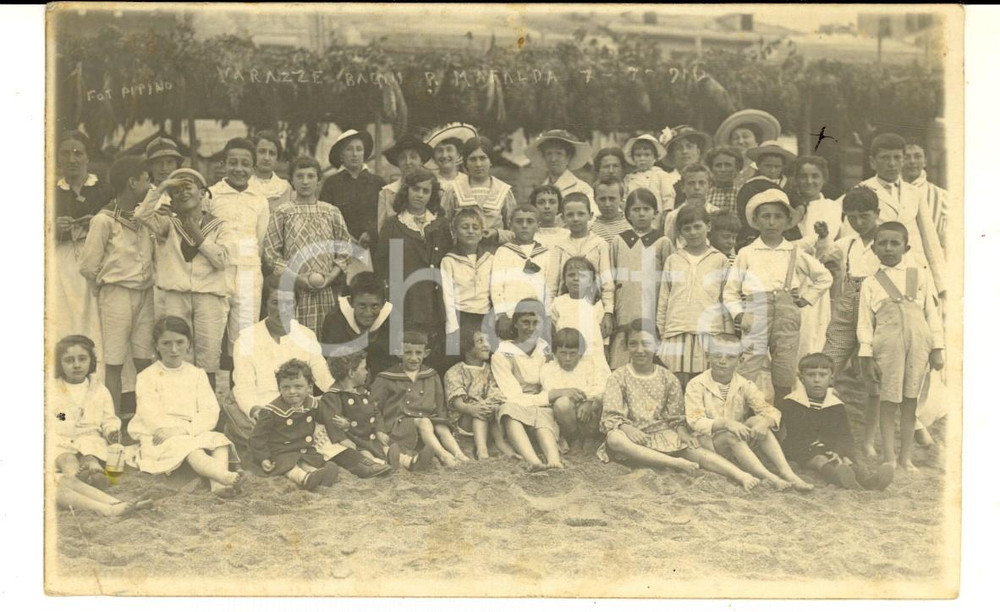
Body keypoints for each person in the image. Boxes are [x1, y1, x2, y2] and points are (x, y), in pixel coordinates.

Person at [599, 321, 756, 486]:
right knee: (614, 438)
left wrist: (682, 432)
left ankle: (741, 475)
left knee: (696, 450)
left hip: (662, 434)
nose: (640, 350)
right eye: (633, 344)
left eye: (646, 344)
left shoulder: (668, 378)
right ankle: (673, 462)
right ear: (626, 346)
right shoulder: (618, 377)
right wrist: (626, 428)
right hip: (632, 439)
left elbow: (676, 416)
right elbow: (610, 416)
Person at [723, 189, 833, 403]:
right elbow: (730, 291)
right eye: (766, 216)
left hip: (786, 314)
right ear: (756, 220)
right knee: (750, 364)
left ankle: (783, 413)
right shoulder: (747, 252)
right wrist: (740, 315)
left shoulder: (794, 251)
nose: (772, 222)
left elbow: (824, 277)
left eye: (778, 216)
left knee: (785, 365)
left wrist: (805, 298)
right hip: (756, 312)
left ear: (787, 221)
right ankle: (744, 411)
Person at [858, 221, 945, 472]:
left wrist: (937, 348)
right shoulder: (870, 283)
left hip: (919, 344)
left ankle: (906, 458)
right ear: (874, 248)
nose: (888, 248)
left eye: (894, 243)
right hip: (887, 346)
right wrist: (867, 355)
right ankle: (889, 457)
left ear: (905, 248)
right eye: (882, 243)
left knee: (910, 402)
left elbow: (931, 314)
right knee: (888, 401)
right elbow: (865, 323)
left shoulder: (920, 275)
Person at [134, 169, 231, 390]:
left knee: (208, 356)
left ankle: (207, 403)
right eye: (176, 191)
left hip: (208, 296)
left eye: (188, 187)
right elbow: (141, 215)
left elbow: (221, 260)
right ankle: (178, 401)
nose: (183, 193)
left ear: (203, 193)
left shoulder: (219, 225)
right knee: (176, 353)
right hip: (176, 295)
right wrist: (161, 188)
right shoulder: (167, 223)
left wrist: (196, 233)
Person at [128, 317, 244, 497]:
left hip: (190, 428)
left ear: (188, 343)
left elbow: (210, 411)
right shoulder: (147, 376)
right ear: (156, 345)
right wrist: (173, 431)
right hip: (161, 433)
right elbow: (149, 415)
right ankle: (224, 476)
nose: (174, 349)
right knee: (191, 449)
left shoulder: (197, 374)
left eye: (180, 342)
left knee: (219, 441)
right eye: (166, 343)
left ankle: (218, 486)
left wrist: (186, 429)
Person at [685, 333, 814, 491]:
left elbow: (771, 411)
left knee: (757, 421)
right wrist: (726, 423)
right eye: (717, 355)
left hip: (738, 443)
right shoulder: (696, 384)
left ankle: (786, 472)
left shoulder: (744, 384)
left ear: (740, 360)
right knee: (730, 434)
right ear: (707, 356)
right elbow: (695, 421)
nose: (723, 361)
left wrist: (765, 422)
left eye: (730, 357)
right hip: (709, 443)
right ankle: (770, 477)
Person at [78, 156, 156, 416]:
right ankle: (112, 422)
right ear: (132, 182)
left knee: (144, 359)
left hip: (146, 293)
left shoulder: (146, 217)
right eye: (146, 180)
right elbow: (87, 266)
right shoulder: (104, 220)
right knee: (114, 361)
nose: (150, 185)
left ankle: (146, 418)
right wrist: (108, 283)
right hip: (117, 294)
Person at [228, 275, 334, 449]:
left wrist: (341, 395)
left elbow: (323, 377)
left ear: (296, 304)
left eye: (288, 303)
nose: (282, 310)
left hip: (300, 408)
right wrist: (255, 410)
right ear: (265, 304)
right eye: (275, 302)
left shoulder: (306, 335)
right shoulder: (246, 339)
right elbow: (243, 387)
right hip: (265, 410)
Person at [823, 186, 884, 457]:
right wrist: (823, 240)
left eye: (864, 216)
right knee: (826, 367)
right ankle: (824, 433)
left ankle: (868, 440)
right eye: (852, 217)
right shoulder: (846, 243)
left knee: (874, 380)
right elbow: (822, 257)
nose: (858, 222)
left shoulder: (888, 240)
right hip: (847, 311)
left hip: (877, 312)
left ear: (877, 213)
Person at [846, 133, 946, 293]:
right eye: (885, 158)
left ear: (903, 159)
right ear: (872, 162)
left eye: (897, 157)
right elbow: (853, 238)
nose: (892, 163)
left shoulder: (914, 192)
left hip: (914, 270)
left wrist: (941, 285)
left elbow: (930, 240)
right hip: (878, 271)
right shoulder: (862, 190)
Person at [263, 155, 351, 335]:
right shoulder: (283, 212)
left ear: (318, 180)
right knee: (296, 338)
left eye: (310, 176)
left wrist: (330, 278)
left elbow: (345, 251)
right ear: (292, 180)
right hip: (294, 291)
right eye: (300, 176)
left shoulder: (331, 211)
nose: (305, 181)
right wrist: (297, 279)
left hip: (326, 290)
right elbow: (271, 254)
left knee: (326, 337)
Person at [373, 168, 451, 371]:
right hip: (405, 302)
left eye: (426, 191)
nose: (420, 195)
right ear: (406, 191)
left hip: (434, 302)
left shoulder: (440, 225)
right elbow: (382, 266)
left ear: (432, 195)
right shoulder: (393, 225)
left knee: (431, 354)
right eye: (416, 189)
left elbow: (448, 262)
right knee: (403, 353)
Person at [778, 353, 894, 490]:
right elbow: (794, 434)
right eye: (811, 375)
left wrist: (838, 451)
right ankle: (839, 480)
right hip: (802, 448)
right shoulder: (792, 402)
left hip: (829, 446)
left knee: (847, 460)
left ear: (831, 377)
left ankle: (870, 482)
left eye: (822, 375)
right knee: (820, 460)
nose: (817, 380)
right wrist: (824, 449)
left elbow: (845, 435)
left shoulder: (835, 404)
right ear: (801, 377)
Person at [208, 138, 270, 362]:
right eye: (233, 163)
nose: (239, 169)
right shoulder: (211, 195)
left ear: (253, 167)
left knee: (244, 341)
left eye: (245, 164)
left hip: (248, 274)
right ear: (223, 164)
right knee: (211, 337)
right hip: (216, 272)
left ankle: (240, 383)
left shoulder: (259, 200)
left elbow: (260, 240)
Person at [656, 205, 731, 389]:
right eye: (687, 228)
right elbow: (664, 299)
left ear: (708, 226)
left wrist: (727, 335)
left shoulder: (720, 260)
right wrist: (662, 331)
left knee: (705, 386)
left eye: (697, 227)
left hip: (708, 332)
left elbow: (726, 300)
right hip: (676, 331)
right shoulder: (673, 260)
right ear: (680, 232)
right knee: (675, 386)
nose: (693, 232)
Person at [371, 330, 469, 470]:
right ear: (399, 353)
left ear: (426, 353)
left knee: (440, 425)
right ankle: (444, 456)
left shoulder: (431, 375)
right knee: (424, 422)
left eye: (418, 353)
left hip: (427, 421)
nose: (413, 358)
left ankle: (459, 454)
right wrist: (379, 429)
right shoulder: (386, 378)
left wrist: (444, 421)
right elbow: (374, 407)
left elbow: (440, 405)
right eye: (408, 353)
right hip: (398, 423)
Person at [53, 131, 113, 353]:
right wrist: (53, 227)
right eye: (65, 153)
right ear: (58, 157)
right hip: (64, 264)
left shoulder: (104, 189)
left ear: (87, 157)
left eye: (78, 153)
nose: (72, 159)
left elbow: (120, 225)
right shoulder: (51, 193)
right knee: (68, 315)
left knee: (98, 317)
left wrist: (98, 223)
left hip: (100, 261)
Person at [491, 299, 563, 472]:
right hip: (516, 404)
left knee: (543, 414)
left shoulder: (544, 349)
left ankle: (554, 459)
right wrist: (547, 397)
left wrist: (547, 397)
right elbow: (513, 396)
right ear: (515, 323)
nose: (531, 328)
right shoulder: (502, 354)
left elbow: (549, 383)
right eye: (525, 322)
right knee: (509, 411)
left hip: (541, 404)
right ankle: (532, 460)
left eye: (535, 323)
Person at [248, 359, 340, 490]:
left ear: (309, 387)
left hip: (303, 448)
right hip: (280, 450)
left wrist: (341, 426)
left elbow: (327, 418)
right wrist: (263, 458)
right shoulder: (272, 411)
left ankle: (316, 473)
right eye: (286, 387)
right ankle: (303, 479)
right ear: (279, 388)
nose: (292, 391)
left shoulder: (313, 404)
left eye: (298, 386)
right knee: (289, 465)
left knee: (310, 460)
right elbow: (257, 438)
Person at [609, 188, 672, 369]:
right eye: (636, 209)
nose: (641, 214)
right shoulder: (619, 241)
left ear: (655, 213)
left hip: (652, 307)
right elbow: (611, 278)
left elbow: (669, 280)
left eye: (646, 209)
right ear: (628, 213)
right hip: (625, 308)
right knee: (623, 355)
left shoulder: (663, 242)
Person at [49, 335, 121, 491]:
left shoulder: (100, 390)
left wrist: (111, 431)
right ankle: (76, 475)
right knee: (66, 459)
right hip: (62, 438)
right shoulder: (52, 389)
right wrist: (64, 416)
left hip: (89, 437)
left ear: (91, 361)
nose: (76, 365)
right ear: (59, 364)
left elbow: (108, 418)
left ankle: (93, 469)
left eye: (82, 359)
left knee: (91, 452)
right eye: (69, 360)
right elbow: (52, 415)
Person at [790, 155, 842, 356]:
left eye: (815, 176)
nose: (809, 181)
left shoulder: (831, 207)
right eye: (803, 176)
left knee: (812, 336)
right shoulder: (788, 205)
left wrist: (786, 248)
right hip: (788, 277)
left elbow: (820, 244)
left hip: (815, 278)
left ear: (824, 178)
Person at [317, 351, 395, 478]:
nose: (366, 372)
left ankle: (405, 460)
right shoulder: (333, 396)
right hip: (355, 437)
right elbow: (332, 420)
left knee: (386, 446)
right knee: (364, 452)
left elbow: (375, 412)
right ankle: (377, 464)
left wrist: (380, 430)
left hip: (369, 435)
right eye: (363, 368)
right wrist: (343, 439)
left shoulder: (362, 392)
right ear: (351, 373)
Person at [549, 193, 615, 340]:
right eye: (570, 215)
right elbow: (552, 284)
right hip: (565, 308)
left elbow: (607, 282)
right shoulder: (560, 246)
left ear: (590, 215)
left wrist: (608, 312)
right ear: (563, 218)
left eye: (580, 214)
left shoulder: (600, 244)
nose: (575, 218)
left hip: (593, 306)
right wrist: (548, 314)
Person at [444, 329, 517, 460]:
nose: (486, 345)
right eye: (480, 341)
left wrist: (487, 406)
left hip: (489, 415)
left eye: (488, 341)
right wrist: (473, 409)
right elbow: (457, 403)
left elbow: (496, 393)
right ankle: (482, 451)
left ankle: (501, 444)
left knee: (491, 409)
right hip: (465, 419)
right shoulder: (455, 371)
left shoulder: (491, 369)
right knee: (480, 412)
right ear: (467, 347)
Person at [490, 205, 558, 339]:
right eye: (519, 221)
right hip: (510, 315)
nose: (524, 226)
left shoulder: (546, 254)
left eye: (530, 221)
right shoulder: (504, 251)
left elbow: (549, 288)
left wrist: (547, 315)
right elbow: (496, 286)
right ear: (510, 224)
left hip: (536, 317)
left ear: (538, 225)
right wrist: (502, 314)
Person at [441, 136, 517, 249]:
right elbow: (442, 228)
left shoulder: (504, 191)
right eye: (473, 159)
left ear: (490, 161)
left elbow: (515, 232)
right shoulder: (453, 190)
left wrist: (497, 234)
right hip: (461, 254)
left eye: (483, 158)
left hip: (496, 254)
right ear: (465, 163)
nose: (478, 164)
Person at [542, 327, 608, 453]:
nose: (567, 358)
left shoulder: (591, 364)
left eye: (572, 353)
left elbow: (603, 385)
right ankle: (574, 438)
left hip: (591, 412)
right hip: (568, 416)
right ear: (555, 353)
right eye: (563, 353)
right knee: (562, 403)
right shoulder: (549, 369)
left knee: (601, 398)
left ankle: (591, 437)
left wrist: (589, 401)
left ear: (581, 353)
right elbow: (551, 390)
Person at [441, 208, 494, 364]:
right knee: (461, 358)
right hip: (461, 317)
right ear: (455, 232)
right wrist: (452, 327)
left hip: (484, 317)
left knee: (485, 358)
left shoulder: (490, 259)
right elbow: (447, 296)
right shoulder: (449, 260)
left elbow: (495, 292)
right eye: (465, 227)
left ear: (482, 232)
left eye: (475, 227)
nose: (470, 231)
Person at [319, 128, 386, 250]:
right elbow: (324, 217)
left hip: (373, 247)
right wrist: (344, 236)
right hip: (341, 248)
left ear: (364, 153)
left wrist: (371, 233)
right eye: (349, 149)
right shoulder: (331, 183)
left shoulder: (378, 183)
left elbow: (385, 214)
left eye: (359, 149)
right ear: (341, 155)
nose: (355, 154)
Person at [320, 271, 394, 375]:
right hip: (346, 378)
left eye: (374, 306)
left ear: (383, 304)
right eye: (362, 306)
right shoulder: (335, 318)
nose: (368, 313)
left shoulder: (392, 318)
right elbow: (332, 361)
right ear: (351, 302)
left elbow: (393, 361)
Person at [736, 140, 796, 249]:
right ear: (758, 165)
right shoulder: (751, 186)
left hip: (784, 232)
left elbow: (796, 204)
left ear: (783, 167)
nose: (772, 170)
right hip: (755, 233)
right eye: (768, 166)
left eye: (777, 166)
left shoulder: (788, 185)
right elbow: (743, 212)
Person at [376, 134, 434, 234]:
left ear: (421, 161)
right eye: (403, 158)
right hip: (397, 241)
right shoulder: (388, 192)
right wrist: (397, 244)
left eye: (413, 157)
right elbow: (382, 229)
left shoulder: (430, 189)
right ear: (398, 162)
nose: (408, 162)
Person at [713, 109, 782, 191]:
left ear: (757, 141)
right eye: (735, 138)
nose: (741, 141)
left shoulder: (764, 168)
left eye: (745, 136)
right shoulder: (727, 169)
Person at [528, 129, 595, 209]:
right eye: (549, 153)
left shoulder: (582, 189)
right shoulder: (540, 190)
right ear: (544, 157)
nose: (553, 159)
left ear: (568, 157)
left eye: (559, 153)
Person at [903, 142, 948, 254]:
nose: (912, 161)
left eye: (917, 156)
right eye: (906, 157)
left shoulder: (941, 196)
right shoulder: (891, 193)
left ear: (925, 161)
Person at [659, 163, 717, 248]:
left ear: (709, 185)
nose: (697, 187)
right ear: (682, 187)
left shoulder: (716, 212)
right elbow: (669, 245)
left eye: (702, 183)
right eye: (691, 183)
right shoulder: (673, 215)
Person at [660, 125, 713, 207]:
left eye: (689, 146)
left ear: (698, 151)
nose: (684, 151)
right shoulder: (665, 180)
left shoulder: (709, 178)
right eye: (679, 148)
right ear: (672, 155)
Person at [623, 133, 674, 212]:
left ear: (655, 157)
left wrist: (666, 212)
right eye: (638, 155)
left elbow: (668, 197)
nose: (642, 158)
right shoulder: (629, 178)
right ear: (632, 157)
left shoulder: (661, 175)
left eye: (647, 155)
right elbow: (625, 200)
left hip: (657, 215)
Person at [425, 122, 477, 198]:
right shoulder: (430, 182)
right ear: (434, 157)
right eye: (439, 151)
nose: (444, 155)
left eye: (449, 149)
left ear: (458, 154)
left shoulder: (469, 182)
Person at [248, 130, 292, 212]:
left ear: (277, 158)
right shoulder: (244, 183)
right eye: (262, 152)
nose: (267, 158)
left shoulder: (285, 188)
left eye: (272, 153)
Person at [590, 176, 633, 243]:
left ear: (621, 198)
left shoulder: (632, 225)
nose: (607, 204)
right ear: (595, 200)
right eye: (602, 199)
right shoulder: (590, 229)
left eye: (612, 199)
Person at [704, 145, 743, 215]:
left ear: (737, 169)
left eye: (728, 165)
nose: (723, 170)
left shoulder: (742, 194)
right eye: (718, 165)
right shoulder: (705, 195)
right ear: (711, 169)